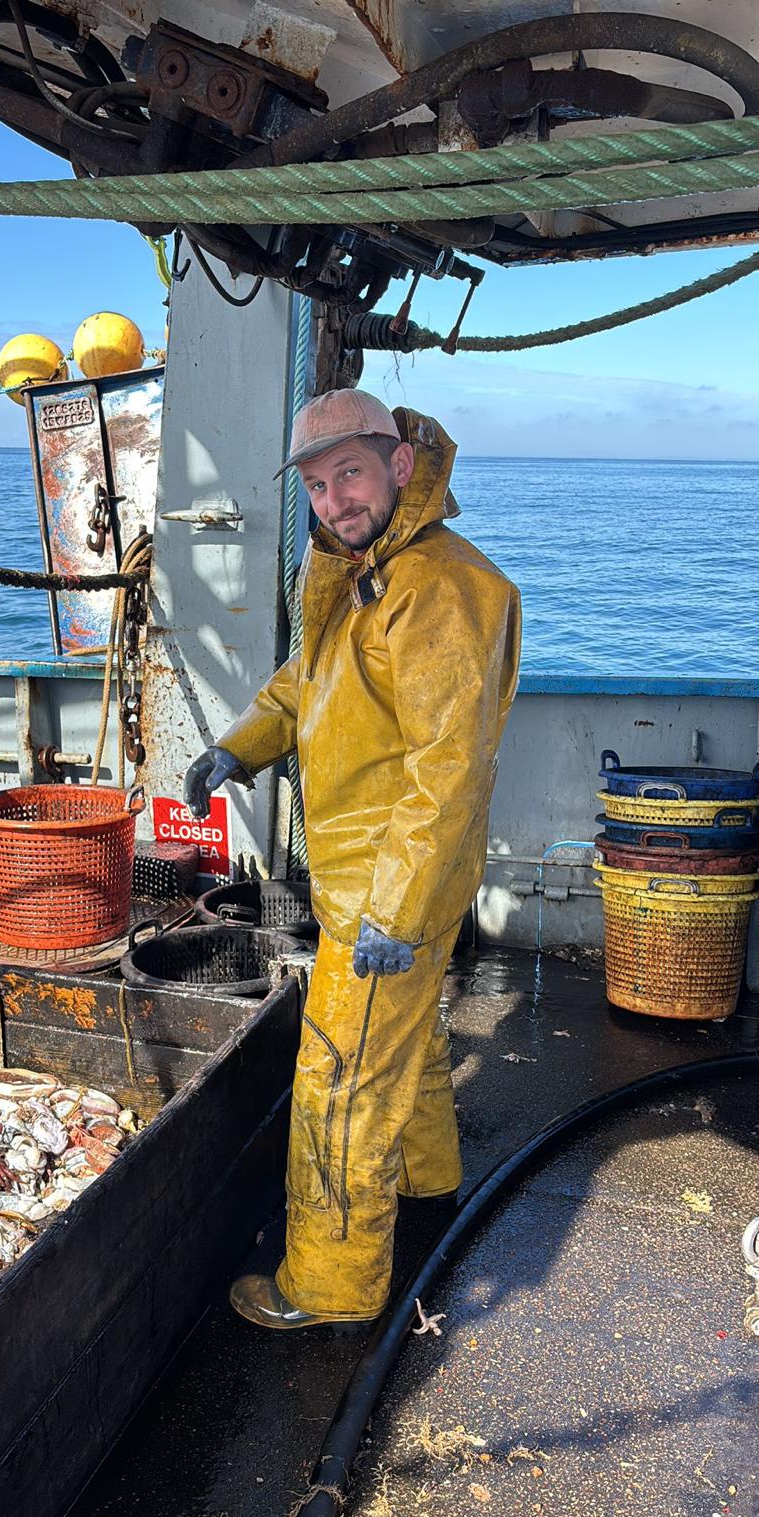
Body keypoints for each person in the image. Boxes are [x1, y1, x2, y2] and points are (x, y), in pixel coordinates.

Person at [185, 388, 521, 1329]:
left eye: (351, 474)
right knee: (405, 1047)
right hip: (373, 885)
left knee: (341, 1078)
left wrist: (394, 912)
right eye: (317, 485)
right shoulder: (367, 572)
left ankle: (328, 1288)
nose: (334, 500)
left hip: (388, 893)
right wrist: (238, 748)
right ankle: (428, 1181)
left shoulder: (442, 589)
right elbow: (307, 683)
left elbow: (447, 774)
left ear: (400, 465)